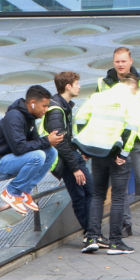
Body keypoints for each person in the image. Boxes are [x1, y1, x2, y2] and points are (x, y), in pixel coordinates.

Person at [97, 47, 140, 239]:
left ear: (131, 61)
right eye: (117, 61)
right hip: (116, 141)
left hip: (138, 139)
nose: (120, 64)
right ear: (113, 62)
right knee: (120, 185)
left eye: (123, 61)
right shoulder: (104, 83)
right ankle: (126, 225)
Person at [75, 77, 140, 255]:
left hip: (97, 150)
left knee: (98, 195)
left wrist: (86, 146)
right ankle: (115, 243)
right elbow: (132, 128)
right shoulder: (131, 99)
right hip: (116, 152)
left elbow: (80, 119)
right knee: (118, 197)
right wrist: (124, 153)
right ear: (132, 88)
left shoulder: (98, 97)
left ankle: (93, 238)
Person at [0, 85, 63, 215]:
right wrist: (47, 140)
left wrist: (50, 141)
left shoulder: (28, 118)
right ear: (32, 103)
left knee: (51, 152)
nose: (46, 109)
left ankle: (25, 190)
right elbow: (19, 148)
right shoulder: (14, 117)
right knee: (38, 156)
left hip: (13, 159)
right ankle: (12, 191)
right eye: (44, 106)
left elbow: (35, 142)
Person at [42, 71, 96, 244]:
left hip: (72, 156)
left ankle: (93, 233)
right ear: (68, 86)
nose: (79, 86)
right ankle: (91, 234)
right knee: (80, 196)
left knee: (90, 192)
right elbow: (60, 142)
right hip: (67, 161)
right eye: (77, 83)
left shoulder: (63, 106)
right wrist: (75, 168)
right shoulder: (56, 110)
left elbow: (68, 139)